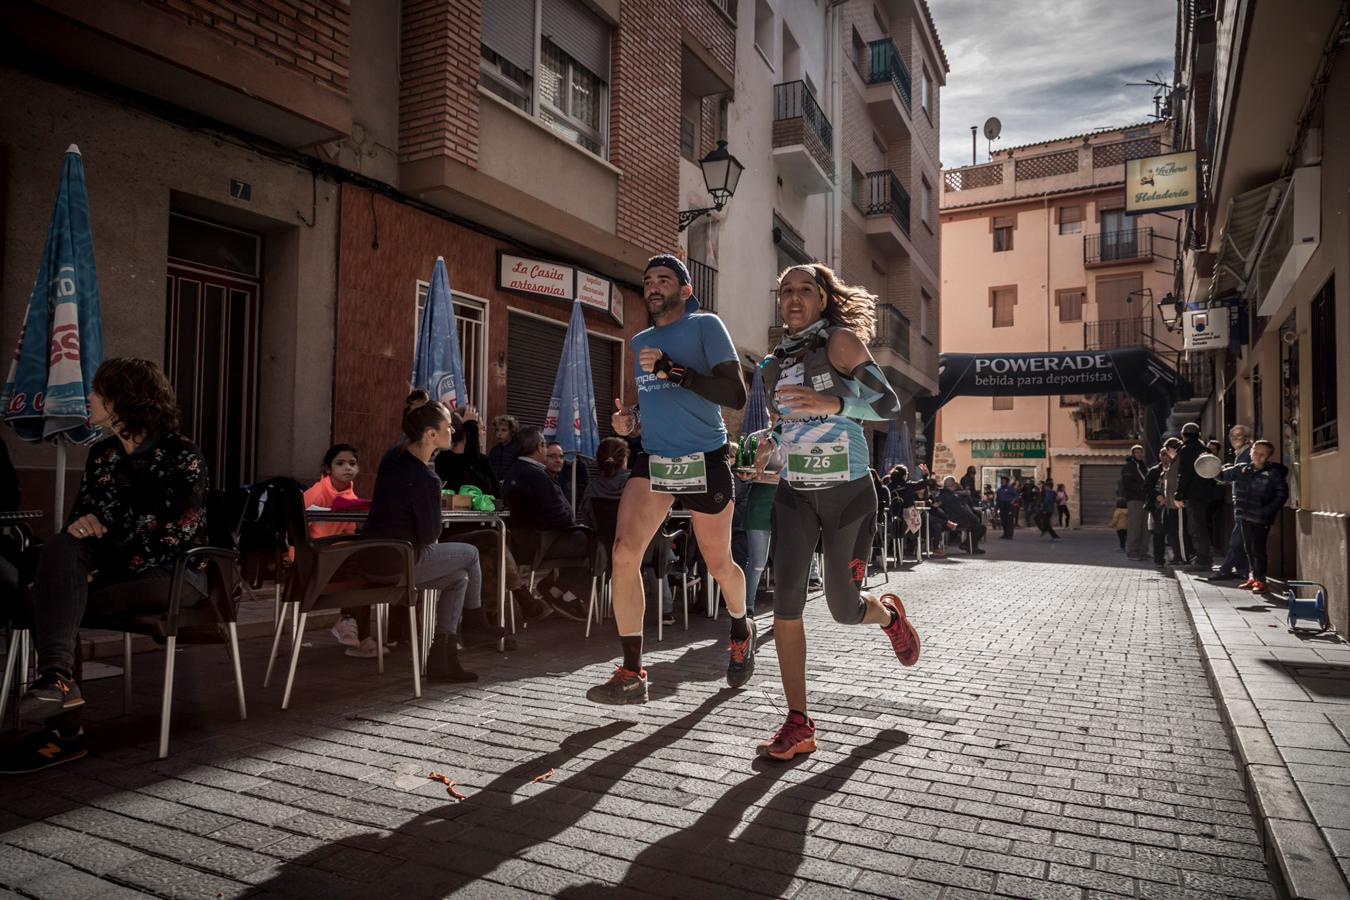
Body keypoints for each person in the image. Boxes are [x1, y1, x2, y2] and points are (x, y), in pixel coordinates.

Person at [749, 262, 920, 761]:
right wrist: (770, 439)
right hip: (795, 493)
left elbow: (888, 405)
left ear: (822, 299)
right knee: (785, 604)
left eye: (805, 290)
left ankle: (888, 617)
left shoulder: (840, 343)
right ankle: (798, 723)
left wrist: (837, 402)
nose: (795, 298)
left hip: (848, 495)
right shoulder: (771, 365)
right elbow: (791, 421)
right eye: (786, 292)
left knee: (844, 611)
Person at [7, 358, 209, 773]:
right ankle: (57, 680)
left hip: (174, 574)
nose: (89, 398)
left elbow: (177, 534)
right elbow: (82, 524)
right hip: (114, 571)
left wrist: (103, 561)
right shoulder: (102, 454)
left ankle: (64, 730)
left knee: (53, 602)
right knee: (63, 549)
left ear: (125, 398)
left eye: (98, 391)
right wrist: (83, 529)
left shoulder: (183, 456)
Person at [589, 254, 750, 705]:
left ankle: (740, 626)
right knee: (624, 553)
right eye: (648, 281)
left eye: (664, 279)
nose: (654, 286)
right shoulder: (640, 339)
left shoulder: (706, 326)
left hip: (705, 458)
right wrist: (629, 423)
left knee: (719, 564)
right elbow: (654, 406)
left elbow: (734, 394)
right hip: (655, 459)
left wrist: (671, 369)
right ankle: (633, 671)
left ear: (684, 289)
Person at [359, 391, 486, 682]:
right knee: (471, 553)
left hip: (369, 557)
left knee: (459, 579)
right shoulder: (426, 479)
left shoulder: (393, 457)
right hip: (399, 561)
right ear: (431, 434)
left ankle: (443, 660)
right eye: (447, 427)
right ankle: (477, 621)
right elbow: (430, 535)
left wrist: (420, 409)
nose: (453, 430)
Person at [503, 426, 590, 621]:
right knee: (595, 543)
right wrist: (572, 523)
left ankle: (553, 589)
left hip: (528, 539)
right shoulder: (535, 474)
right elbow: (555, 513)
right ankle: (563, 595)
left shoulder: (516, 471)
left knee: (587, 538)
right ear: (540, 446)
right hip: (542, 541)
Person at [304, 443, 370, 650]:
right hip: (315, 557)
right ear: (327, 468)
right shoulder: (315, 494)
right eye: (340, 463)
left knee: (369, 567)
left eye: (352, 463)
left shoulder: (352, 498)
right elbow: (296, 530)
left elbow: (348, 534)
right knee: (363, 568)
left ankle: (359, 633)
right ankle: (350, 622)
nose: (347, 468)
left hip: (340, 556)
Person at [1226, 440, 1288, 592]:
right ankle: (1252, 577)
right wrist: (1209, 466)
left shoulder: (1273, 473)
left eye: (1262, 454)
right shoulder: (1242, 469)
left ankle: (1261, 581)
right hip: (1244, 516)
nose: (1257, 456)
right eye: (1255, 452)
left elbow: (1281, 495)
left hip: (1261, 518)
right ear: (1251, 452)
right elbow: (1222, 475)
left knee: (1257, 549)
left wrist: (1266, 511)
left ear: (1268, 457)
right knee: (1248, 548)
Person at [1208, 425, 1254, 583]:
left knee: (1237, 539)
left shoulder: (1248, 453)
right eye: (1232, 437)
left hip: (1246, 502)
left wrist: (1220, 474)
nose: (1234, 440)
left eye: (1238, 436)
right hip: (1241, 501)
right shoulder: (1241, 453)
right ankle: (1242, 570)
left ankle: (1225, 570)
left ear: (1247, 438)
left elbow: (1239, 473)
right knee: (1241, 538)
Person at [1174, 422, 1219, 571]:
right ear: (1199, 434)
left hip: (1193, 494)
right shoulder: (1205, 450)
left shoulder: (1186, 450)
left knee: (1196, 526)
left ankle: (1203, 559)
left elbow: (1184, 474)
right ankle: (1203, 557)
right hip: (1207, 494)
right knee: (1202, 525)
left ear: (1183, 435)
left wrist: (1179, 494)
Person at [435, 405, 498, 497]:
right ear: (468, 431)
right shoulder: (444, 459)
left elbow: (497, 494)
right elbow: (470, 472)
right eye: (481, 428)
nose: (484, 433)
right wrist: (471, 426)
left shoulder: (483, 460)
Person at [934, 476, 986, 554]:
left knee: (975, 524)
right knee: (980, 527)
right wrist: (974, 518)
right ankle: (969, 545)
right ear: (954, 485)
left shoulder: (939, 495)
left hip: (945, 521)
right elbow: (961, 511)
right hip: (954, 521)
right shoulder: (952, 497)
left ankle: (968, 545)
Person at [1120, 445, 1149, 559]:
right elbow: (1127, 483)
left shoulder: (1143, 466)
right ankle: (1132, 552)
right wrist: (1142, 488)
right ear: (1132, 454)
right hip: (1134, 499)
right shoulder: (1128, 467)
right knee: (1135, 527)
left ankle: (1143, 551)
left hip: (1145, 499)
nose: (1139, 454)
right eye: (1136, 452)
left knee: (1145, 528)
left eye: (1140, 452)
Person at [488, 414, 519, 484]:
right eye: (497, 430)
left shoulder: (517, 449)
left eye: (504, 430)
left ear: (511, 431)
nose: (499, 433)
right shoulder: (494, 450)